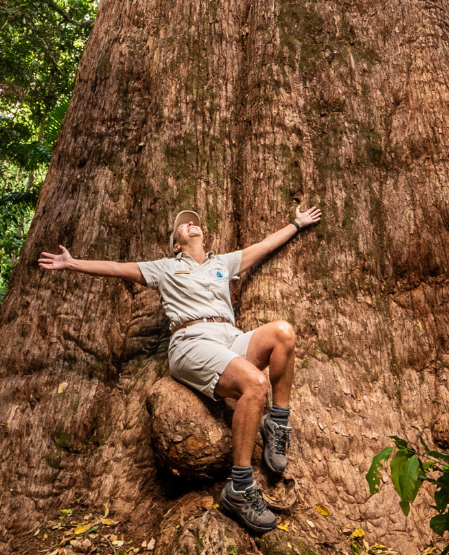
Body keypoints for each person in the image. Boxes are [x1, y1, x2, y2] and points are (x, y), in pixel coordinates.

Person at [37, 205, 322, 533]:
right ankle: (240, 487)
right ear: (175, 243)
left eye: (194, 223)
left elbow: (264, 247)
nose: (191, 225)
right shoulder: (165, 268)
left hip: (230, 337)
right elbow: (118, 267)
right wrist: (73, 263)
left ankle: (277, 424)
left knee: (283, 333)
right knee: (256, 384)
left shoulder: (222, 263)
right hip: (192, 341)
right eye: (183, 225)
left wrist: (296, 224)